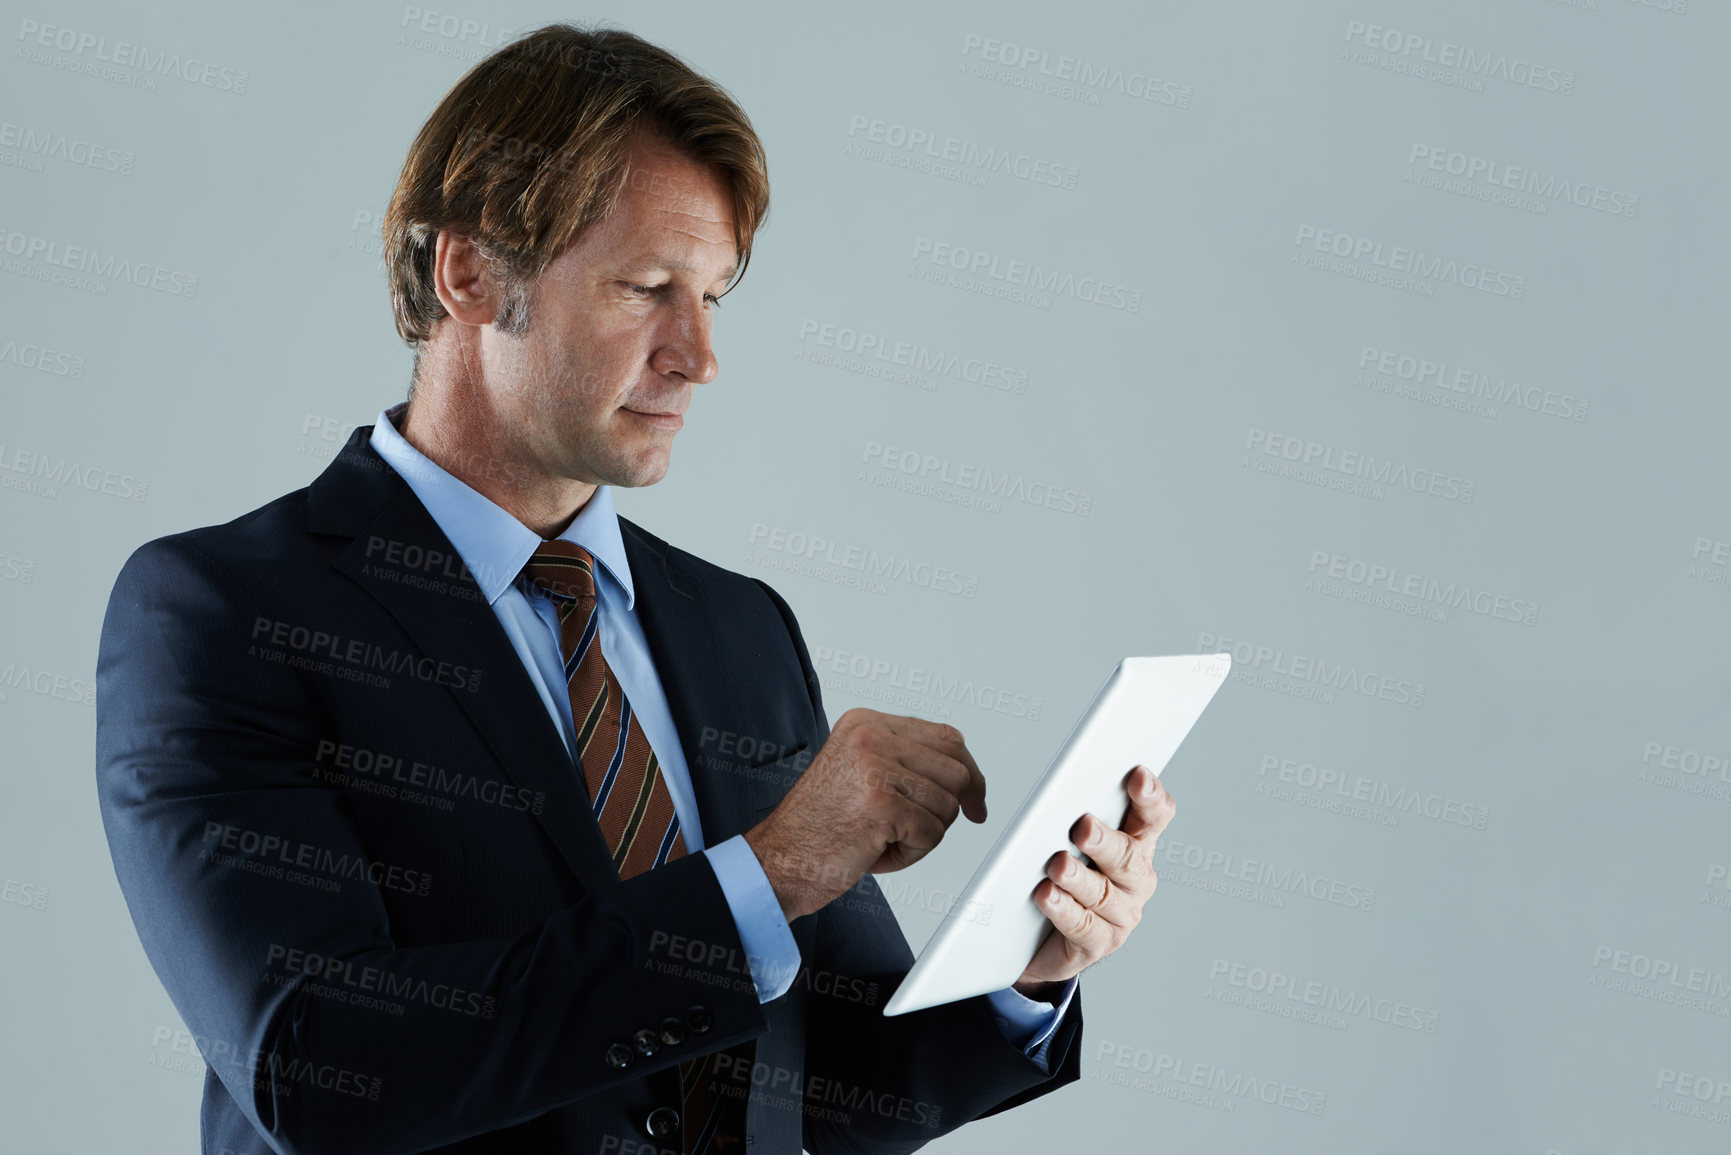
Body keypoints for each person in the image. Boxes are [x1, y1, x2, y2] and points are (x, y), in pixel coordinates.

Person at [95, 22, 1176, 1155]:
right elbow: (322, 1069)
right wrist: (766, 874)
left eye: (712, 294)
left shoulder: (739, 627)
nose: (699, 355)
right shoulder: (220, 613)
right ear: (469, 271)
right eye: (647, 287)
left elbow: (835, 1096)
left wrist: (1025, 963)